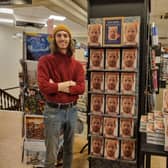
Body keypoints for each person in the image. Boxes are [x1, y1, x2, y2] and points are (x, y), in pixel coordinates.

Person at [37, 24, 85, 168]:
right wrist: (69, 84)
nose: (62, 38)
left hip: (72, 110)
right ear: (54, 39)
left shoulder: (77, 65)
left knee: (69, 150)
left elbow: (81, 88)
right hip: (53, 111)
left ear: (70, 39)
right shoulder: (45, 61)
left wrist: (57, 85)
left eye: (65, 35)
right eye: (59, 35)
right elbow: (44, 86)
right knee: (51, 151)